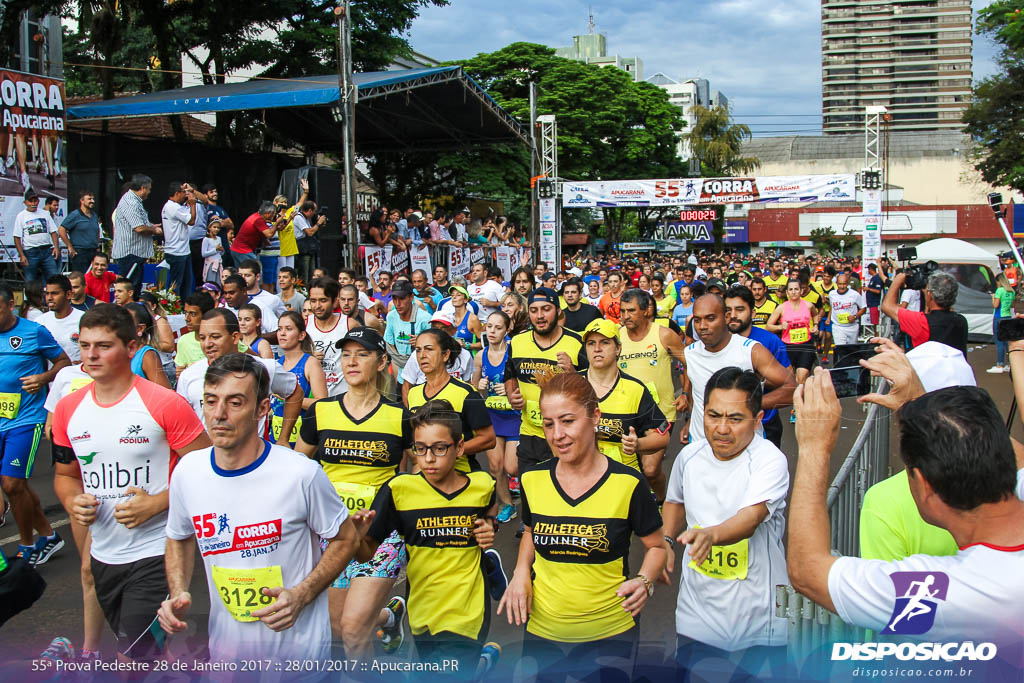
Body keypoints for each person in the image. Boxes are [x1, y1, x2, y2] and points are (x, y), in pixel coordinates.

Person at [789, 368, 1024, 678]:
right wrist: (922, 406)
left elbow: (807, 571)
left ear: (924, 486)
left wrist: (814, 447)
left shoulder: (944, 594)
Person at [159, 352, 371, 665]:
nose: (218, 414)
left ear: (261, 408)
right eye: (210, 400)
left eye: (234, 402)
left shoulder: (301, 473)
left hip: (299, 659)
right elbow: (178, 536)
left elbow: (346, 540)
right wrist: (178, 591)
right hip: (228, 658)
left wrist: (302, 594)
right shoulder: (188, 473)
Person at [51, 303, 210, 661]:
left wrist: (157, 502)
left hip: (157, 551)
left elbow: (210, 471)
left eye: (103, 346)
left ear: (132, 347)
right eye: (84, 344)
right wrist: (72, 500)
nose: (90, 355)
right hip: (104, 554)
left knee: (134, 660)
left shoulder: (163, 404)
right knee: (142, 657)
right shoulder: (68, 409)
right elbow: (64, 475)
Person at [498, 371, 665, 681]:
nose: (557, 434)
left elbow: (657, 546)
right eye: (549, 424)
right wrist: (521, 571)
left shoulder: (628, 484)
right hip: (543, 631)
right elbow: (532, 532)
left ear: (595, 416)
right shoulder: (533, 480)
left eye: (568, 421)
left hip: (611, 631)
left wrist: (644, 579)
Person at [355, 400, 502, 676]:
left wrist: (490, 526)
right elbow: (364, 554)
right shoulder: (399, 490)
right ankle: (482, 666)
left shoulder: (482, 485)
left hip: (467, 612)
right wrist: (355, 538)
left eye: (439, 448)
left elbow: (490, 511)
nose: (429, 458)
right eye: (420, 449)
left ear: (459, 448)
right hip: (423, 612)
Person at [294, 327, 413, 659]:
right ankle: (389, 616)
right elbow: (296, 468)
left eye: (362, 354)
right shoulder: (320, 412)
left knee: (353, 631)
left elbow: (420, 473)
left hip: (379, 534)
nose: (352, 361)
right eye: (346, 354)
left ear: (381, 362)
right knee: (337, 625)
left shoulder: (400, 417)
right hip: (331, 533)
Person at [664, 367, 789, 681]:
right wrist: (665, 541)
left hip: (759, 621)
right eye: (712, 415)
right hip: (697, 615)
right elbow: (675, 501)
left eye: (734, 418)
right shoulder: (689, 457)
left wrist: (711, 535)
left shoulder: (769, 460)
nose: (721, 428)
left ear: (758, 419)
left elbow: (750, 519)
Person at [1, 283, 70, 566]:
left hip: (26, 419)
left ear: (10, 306)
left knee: (12, 483)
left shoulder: (33, 332)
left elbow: (63, 362)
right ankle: (48, 535)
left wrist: (43, 379)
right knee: (17, 488)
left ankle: (27, 545)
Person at [682, 294, 795, 444]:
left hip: (746, 447)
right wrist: (690, 422)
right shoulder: (690, 353)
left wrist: (747, 404)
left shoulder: (751, 351)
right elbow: (696, 391)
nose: (702, 326)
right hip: (701, 443)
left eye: (710, 318)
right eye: (697, 320)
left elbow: (792, 388)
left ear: (727, 317)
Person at [177, 309, 302, 444]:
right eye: (202, 338)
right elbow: (181, 421)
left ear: (235, 337)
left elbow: (295, 393)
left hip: (255, 459)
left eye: (215, 337)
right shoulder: (188, 376)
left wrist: (283, 438)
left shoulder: (265, 368)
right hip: (208, 460)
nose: (207, 344)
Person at [503, 288, 588, 477]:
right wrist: (511, 395)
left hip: (566, 435)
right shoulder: (517, 342)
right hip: (530, 432)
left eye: (546, 309)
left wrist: (573, 374)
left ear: (558, 311)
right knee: (530, 493)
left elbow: (593, 390)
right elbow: (509, 375)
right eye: (534, 310)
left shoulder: (576, 343)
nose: (539, 316)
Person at [618, 289, 687, 500]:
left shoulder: (664, 335)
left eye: (631, 311)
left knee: (650, 469)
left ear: (646, 310)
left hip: (660, 412)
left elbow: (689, 365)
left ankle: (660, 500)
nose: (625, 316)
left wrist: (685, 393)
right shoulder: (616, 337)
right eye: (622, 311)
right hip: (627, 412)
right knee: (629, 468)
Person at [582, 318, 668, 472]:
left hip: (624, 477)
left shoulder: (636, 389)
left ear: (618, 348)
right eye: (591, 343)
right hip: (581, 474)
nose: (597, 349)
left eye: (605, 342)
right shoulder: (572, 385)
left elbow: (662, 436)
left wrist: (638, 444)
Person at [407, 328, 495, 474]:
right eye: (418, 350)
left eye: (429, 349)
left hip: (461, 474)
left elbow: (489, 439)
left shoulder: (466, 393)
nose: (422, 356)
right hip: (425, 476)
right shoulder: (413, 393)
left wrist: (449, 451)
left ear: (446, 355)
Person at [723, 286, 796, 449]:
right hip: (725, 427)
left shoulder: (770, 341)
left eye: (740, 309)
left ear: (753, 313)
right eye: (728, 310)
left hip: (766, 424)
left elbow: (791, 385)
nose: (733, 315)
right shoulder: (716, 343)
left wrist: (757, 385)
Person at [473, 311, 520, 525]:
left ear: (507, 330)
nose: (492, 331)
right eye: (489, 326)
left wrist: (511, 388)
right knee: (495, 467)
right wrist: (479, 386)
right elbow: (473, 389)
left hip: (515, 416)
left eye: (497, 327)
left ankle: (529, 503)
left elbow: (527, 384)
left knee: (512, 467)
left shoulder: (514, 353)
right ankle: (507, 505)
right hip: (492, 416)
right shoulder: (480, 356)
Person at [766, 279, 820, 422]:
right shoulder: (781, 308)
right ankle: (799, 399)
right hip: (788, 346)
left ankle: (797, 408)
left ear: (801, 291)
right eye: (791, 289)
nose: (794, 292)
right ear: (787, 292)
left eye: (796, 289)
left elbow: (816, 315)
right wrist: (780, 327)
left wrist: (815, 326)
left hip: (806, 344)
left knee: (802, 375)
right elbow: (769, 326)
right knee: (791, 379)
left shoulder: (808, 306)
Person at [880, 270, 968, 356]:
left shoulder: (921, 322)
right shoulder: (961, 321)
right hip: (954, 369)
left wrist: (897, 281)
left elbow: (886, 306)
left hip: (926, 370)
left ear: (930, 295)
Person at [272, 311, 327, 446]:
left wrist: (289, 398)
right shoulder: (276, 364)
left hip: (303, 440)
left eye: (288, 329)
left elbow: (323, 404)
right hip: (275, 438)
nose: (282, 333)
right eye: (280, 329)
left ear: (301, 335)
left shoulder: (310, 363)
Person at [401, 311, 475, 394]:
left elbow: (468, 384)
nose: (438, 333)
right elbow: (407, 385)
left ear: (454, 330)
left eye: (443, 329)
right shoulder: (418, 354)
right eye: (435, 329)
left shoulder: (464, 355)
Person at [112, 174, 162, 298]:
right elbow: (139, 228)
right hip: (130, 253)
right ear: (142, 188)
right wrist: (154, 231)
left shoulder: (135, 201)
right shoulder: (130, 202)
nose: (149, 192)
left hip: (135, 253)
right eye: (149, 189)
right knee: (129, 290)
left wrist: (151, 226)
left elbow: (140, 223)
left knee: (134, 289)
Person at [384, 280, 431, 390]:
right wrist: (403, 361)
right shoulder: (391, 316)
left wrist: (421, 343)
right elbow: (390, 344)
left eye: (402, 298)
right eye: (394, 299)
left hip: (423, 379)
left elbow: (436, 346)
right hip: (402, 378)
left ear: (411, 297)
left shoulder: (425, 319)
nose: (397, 303)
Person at [13, 190, 60, 283]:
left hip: (47, 251)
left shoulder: (45, 213)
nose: (33, 203)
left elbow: (54, 232)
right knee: (30, 281)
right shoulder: (21, 216)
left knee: (54, 278)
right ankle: (31, 297)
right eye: (31, 201)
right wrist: (22, 255)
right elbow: (17, 237)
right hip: (30, 252)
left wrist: (56, 247)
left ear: (38, 201)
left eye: (35, 201)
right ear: (25, 202)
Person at [161, 181, 198, 297]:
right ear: (177, 193)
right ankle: (174, 309)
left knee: (185, 283)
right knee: (177, 284)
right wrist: (193, 204)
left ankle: (182, 307)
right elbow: (191, 221)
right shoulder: (174, 207)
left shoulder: (170, 206)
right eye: (183, 192)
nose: (185, 195)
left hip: (181, 250)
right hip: (177, 252)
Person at [38, 274, 85, 363]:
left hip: (76, 376)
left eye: (55, 293)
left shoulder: (84, 319)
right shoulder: (40, 322)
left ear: (68, 294)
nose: (50, 298)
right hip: (50, 376)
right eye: (47, 293)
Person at [124, 303, 172, 388]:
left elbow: (165, 393)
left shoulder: (147, 355)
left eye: (125, 321)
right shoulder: (118, 351)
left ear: (140, 328)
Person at [60, 190, 102, 274]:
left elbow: (96, 231)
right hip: (80, 252)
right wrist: (69, 246)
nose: (92, 201)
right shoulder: (75, 215)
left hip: (93, 251)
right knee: (81, 277)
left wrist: (97, 245)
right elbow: (61, 229)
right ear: (82, 201)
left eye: (93, 199)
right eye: (89, 199)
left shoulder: (94, 215)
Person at [237, 259, 285, 333]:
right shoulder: (234, 300)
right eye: (240, 275)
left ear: (258, 277)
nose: (243, 279)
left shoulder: (272, 299)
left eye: (247, 275)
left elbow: (285, 322)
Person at [828, 273, 867, 346]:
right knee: (841, 348)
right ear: (836, 283)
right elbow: (832, 307)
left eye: (844, 284)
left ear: (848, 283)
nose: (842, 287)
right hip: (838, 327)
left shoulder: (855, 294)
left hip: (852, 327)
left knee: (851, 350)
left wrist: (855, 316)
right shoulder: (832, 294)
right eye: (840, 284)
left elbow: (863, 308)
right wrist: (828, 318)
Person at [988, 272, 1016, 373]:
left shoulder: (999, 290)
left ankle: (1000, 365)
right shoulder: (1011, 291)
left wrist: (993, 297)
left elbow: (995, 305)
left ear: (999, 281)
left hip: (999, 317)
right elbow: (1012, 305)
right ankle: (1009, 364)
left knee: (999, 342)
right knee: (1007, 342)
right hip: (1008, 316)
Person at [446, 285, 483, 352]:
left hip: (469, 359)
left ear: (465, 300)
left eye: (458, 295)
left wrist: (466, 345)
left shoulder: (473, 319)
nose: (454, 297)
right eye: (452, 295)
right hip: (453, 360)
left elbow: (484, 343)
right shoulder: (449, 317)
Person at [200, 217, 224, 285]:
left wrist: (222, 250)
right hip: (211, 264)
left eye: (218, 228)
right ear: (209, 227)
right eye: (214, 227)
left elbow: (220, 253)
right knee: (211, 283)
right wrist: (215, 250)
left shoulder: (219, 238)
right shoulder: (206, 239)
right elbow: (203, 254)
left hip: (218, 263)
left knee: (218, 282)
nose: (216, 229)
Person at [863, 263, 884, 335]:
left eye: (868, 269)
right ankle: (876, 336)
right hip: (871, 304)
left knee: (876, 323)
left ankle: (877, 336)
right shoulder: (873, 278)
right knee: (874, 323)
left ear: (871, 269)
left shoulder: (877, 278)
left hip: (875, 304)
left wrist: (868, 289)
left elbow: (878, 291)